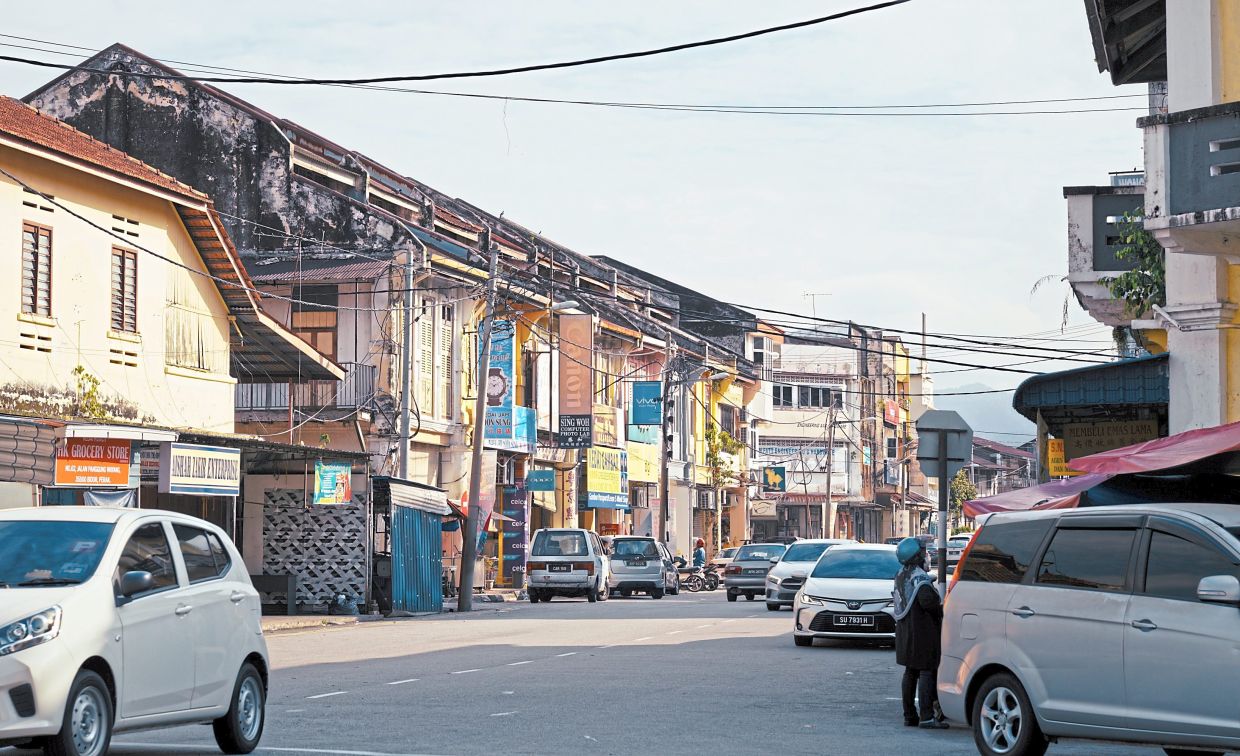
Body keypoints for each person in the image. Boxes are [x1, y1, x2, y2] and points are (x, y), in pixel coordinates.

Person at [892, 536, 948, 730]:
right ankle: (927, 717)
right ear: (916, 557)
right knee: (926, 671)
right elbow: (928, 603)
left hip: (905, 632)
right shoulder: (919, 577)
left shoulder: (901, 574)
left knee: (910, 672)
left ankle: (909, 716)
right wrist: (942, 608)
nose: (925, 556)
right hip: (922, 632)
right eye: (922, 552)